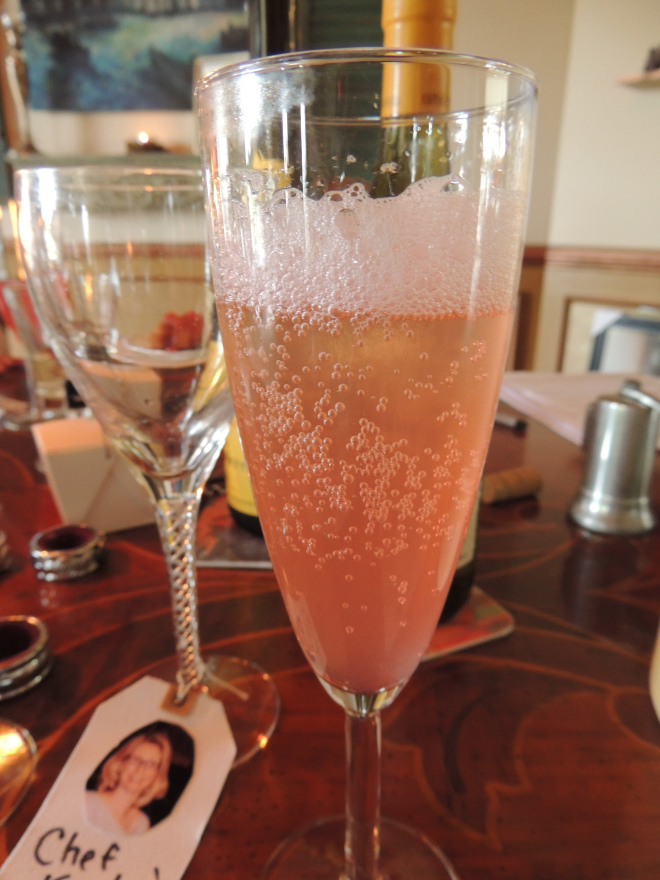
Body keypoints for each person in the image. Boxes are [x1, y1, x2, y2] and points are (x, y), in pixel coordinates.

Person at [85, 730, 172, 836]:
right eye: (136, 759)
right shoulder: (85, 801)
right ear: (120, 763)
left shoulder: (142, 824)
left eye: (151, 764)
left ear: (157, 776)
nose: (140, 769)